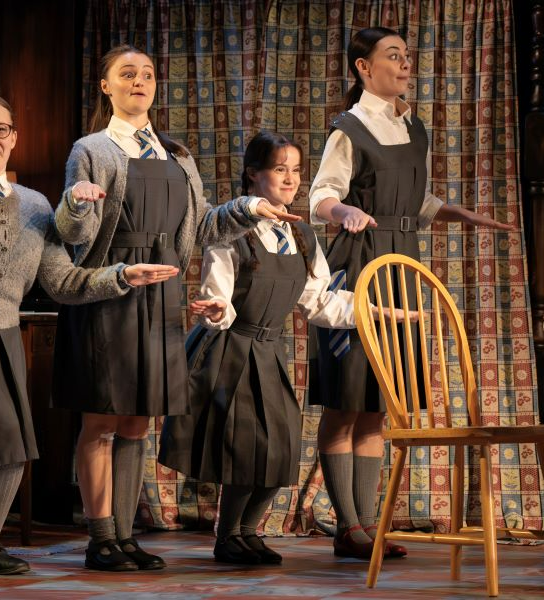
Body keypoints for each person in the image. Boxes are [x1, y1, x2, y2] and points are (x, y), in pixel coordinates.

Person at [0, 93, 178, 578]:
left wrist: (122, 276)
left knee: (14, 447)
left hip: (2, 335)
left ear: (14, 138)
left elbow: (63, 281)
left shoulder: (37, 206)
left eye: (0, 130)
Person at [51, 44, 300, 572]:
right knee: (101, 420)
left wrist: (248, 207)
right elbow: (71, 235)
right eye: (127, 74)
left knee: (139, 423)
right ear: (106, 86)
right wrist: (75, 203)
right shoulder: (91, 148)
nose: (139, 81)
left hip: (161, 293)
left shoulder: (176, 155)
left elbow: (203, 226)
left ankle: (124, 534)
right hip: (110, 289)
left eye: (146, 74)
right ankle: (101, 538)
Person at [308, 27, 516, 559]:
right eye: (392, 56)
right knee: (346, 397)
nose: (404, 65)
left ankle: (367, 525)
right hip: (358, 266)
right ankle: (346, 525)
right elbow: (322, 196)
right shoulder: (349, 128)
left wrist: (460, 214)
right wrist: (345, 210)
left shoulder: (413, 127)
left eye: (406, 56)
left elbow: (414, 202)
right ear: (363, 68)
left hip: (402, 266)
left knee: (378, 402)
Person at [158, 131, 411, 565]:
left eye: (296, 170)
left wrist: (374, 312)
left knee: (280, 448)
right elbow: (217, 293)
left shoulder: (302, 237)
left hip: (270, 350)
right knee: (243, 448)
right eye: (280, 169)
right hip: (229, 349)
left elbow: (320, 302)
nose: (291, 179)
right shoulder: (230, 231)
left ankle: (249, 530)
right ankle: (229, 533)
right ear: (254, 175)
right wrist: (216, 309)